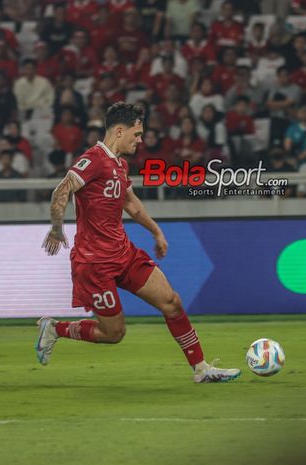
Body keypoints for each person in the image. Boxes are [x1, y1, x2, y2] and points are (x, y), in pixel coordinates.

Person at [36, 102, 240, 383]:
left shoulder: (119, 164)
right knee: (113, 334)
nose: (140, 140)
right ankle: (54, 329)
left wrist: (156, 232)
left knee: (172, 302)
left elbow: (131, 204)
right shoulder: (94, 159)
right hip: (95, 264)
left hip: (124, 253)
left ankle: (202, 369)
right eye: (137, 133)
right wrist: (57, 228)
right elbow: (63, 188)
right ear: (120, 131)